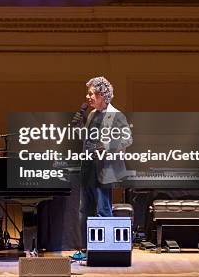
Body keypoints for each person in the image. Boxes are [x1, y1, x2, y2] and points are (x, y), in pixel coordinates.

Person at [73, 76, 133, 260]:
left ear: (101, 95)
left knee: (102, 209)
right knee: (85, 210)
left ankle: (105, 251)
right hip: (88, 169)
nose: (88, 96)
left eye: (91, 93)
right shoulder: (92, 114)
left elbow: (127, 139)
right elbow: (89, 139)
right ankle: (86, 249)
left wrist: (106, 147)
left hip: (104, 170)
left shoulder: (116, 115)